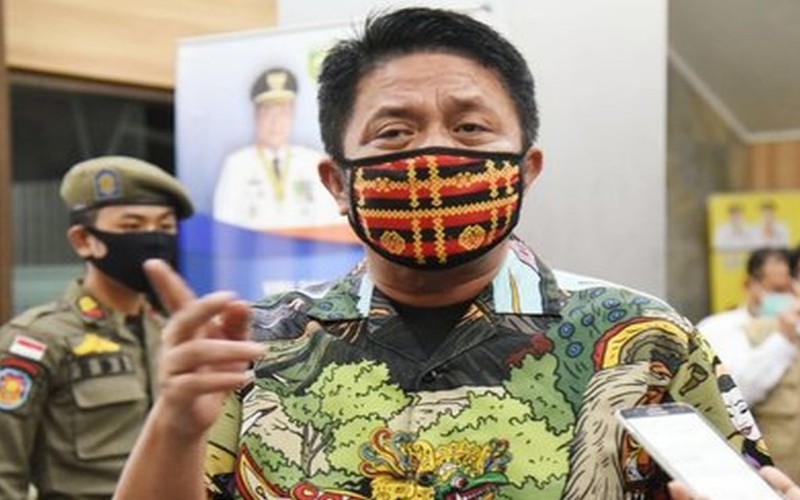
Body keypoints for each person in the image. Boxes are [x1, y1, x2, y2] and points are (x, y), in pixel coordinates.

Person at [115, 8, 773, 499]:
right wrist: (174, 425)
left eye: (470, 127)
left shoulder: (644, 339)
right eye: (394, 132)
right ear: (337, 182)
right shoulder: (255, 346)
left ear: (527, 169)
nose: (434, 154)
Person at [0, 156, 193, 499]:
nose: (153, 239)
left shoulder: (170, 335)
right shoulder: (40, 340)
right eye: (132, 227)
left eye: (165, 227)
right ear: (83, 240)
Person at [212, 66, 341, 230]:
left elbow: (331, 223)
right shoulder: (237, 165)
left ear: (293, 115)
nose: (275, 122)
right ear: (256, 116)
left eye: (282, 113)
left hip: (304, 245)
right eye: (268, 114)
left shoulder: (313, 162)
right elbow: (224, 228)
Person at [697, 247, 796, 404]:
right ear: (749, 285)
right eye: (777, 290)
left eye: (790, 289)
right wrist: (782, 340)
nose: (787, 297)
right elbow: (733, 394)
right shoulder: (719, 327)